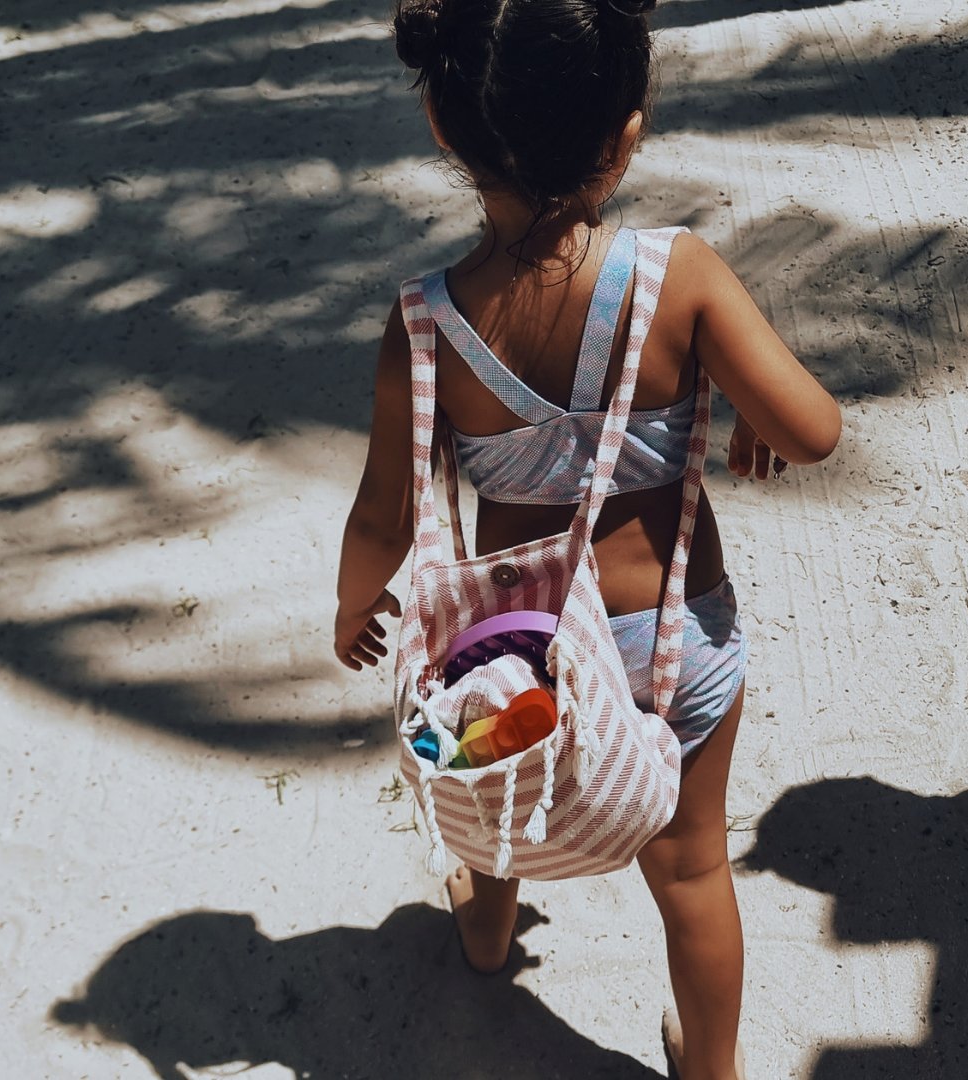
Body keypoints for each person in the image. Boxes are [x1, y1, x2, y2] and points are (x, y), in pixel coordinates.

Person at [333, 1, 841, 1076]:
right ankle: (711, 1067)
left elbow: (383, 513)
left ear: (442, 125)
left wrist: (351, 606)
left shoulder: (424, 323)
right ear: (627, 136)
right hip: (671, 646)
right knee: (695, 869)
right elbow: (815, 431)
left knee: (504, 784)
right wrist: (747, 403)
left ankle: (483, 932)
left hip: (513, 653)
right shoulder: (682, 277)